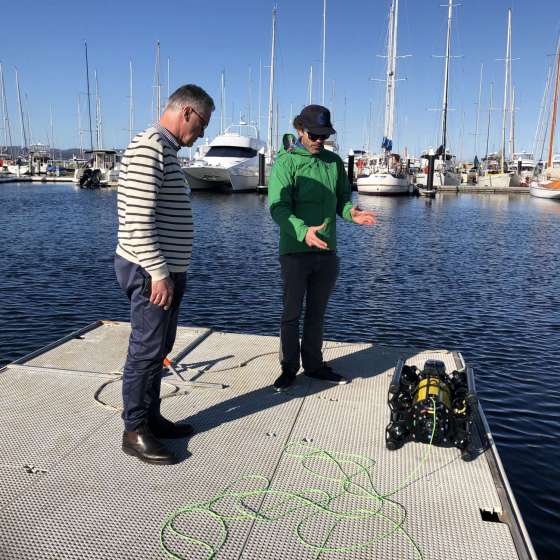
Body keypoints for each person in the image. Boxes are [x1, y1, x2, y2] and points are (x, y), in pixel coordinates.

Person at [115, 84, 214, 464]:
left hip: (165, 270)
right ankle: (135, 430)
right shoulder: (150, 146)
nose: (202, 133)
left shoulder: (166, 149)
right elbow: (138, 220)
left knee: (160, 346)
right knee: (146, 348)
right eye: (202, 124)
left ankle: (151, 417)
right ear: (187, 112)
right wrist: (158, 273)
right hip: (149, 270)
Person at [268, 105, 376, 392]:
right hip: (294, 252)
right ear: (300, 131)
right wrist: (303, 232)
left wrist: (352, 213)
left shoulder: (333, 162)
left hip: (327, 252)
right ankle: (289, 368)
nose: (319, 140)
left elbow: (341, 200)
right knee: (291, 313)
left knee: (316, 313)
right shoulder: (286, 163)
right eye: (314, 134)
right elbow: (277, 208)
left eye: (324, 135)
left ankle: (314, 365)